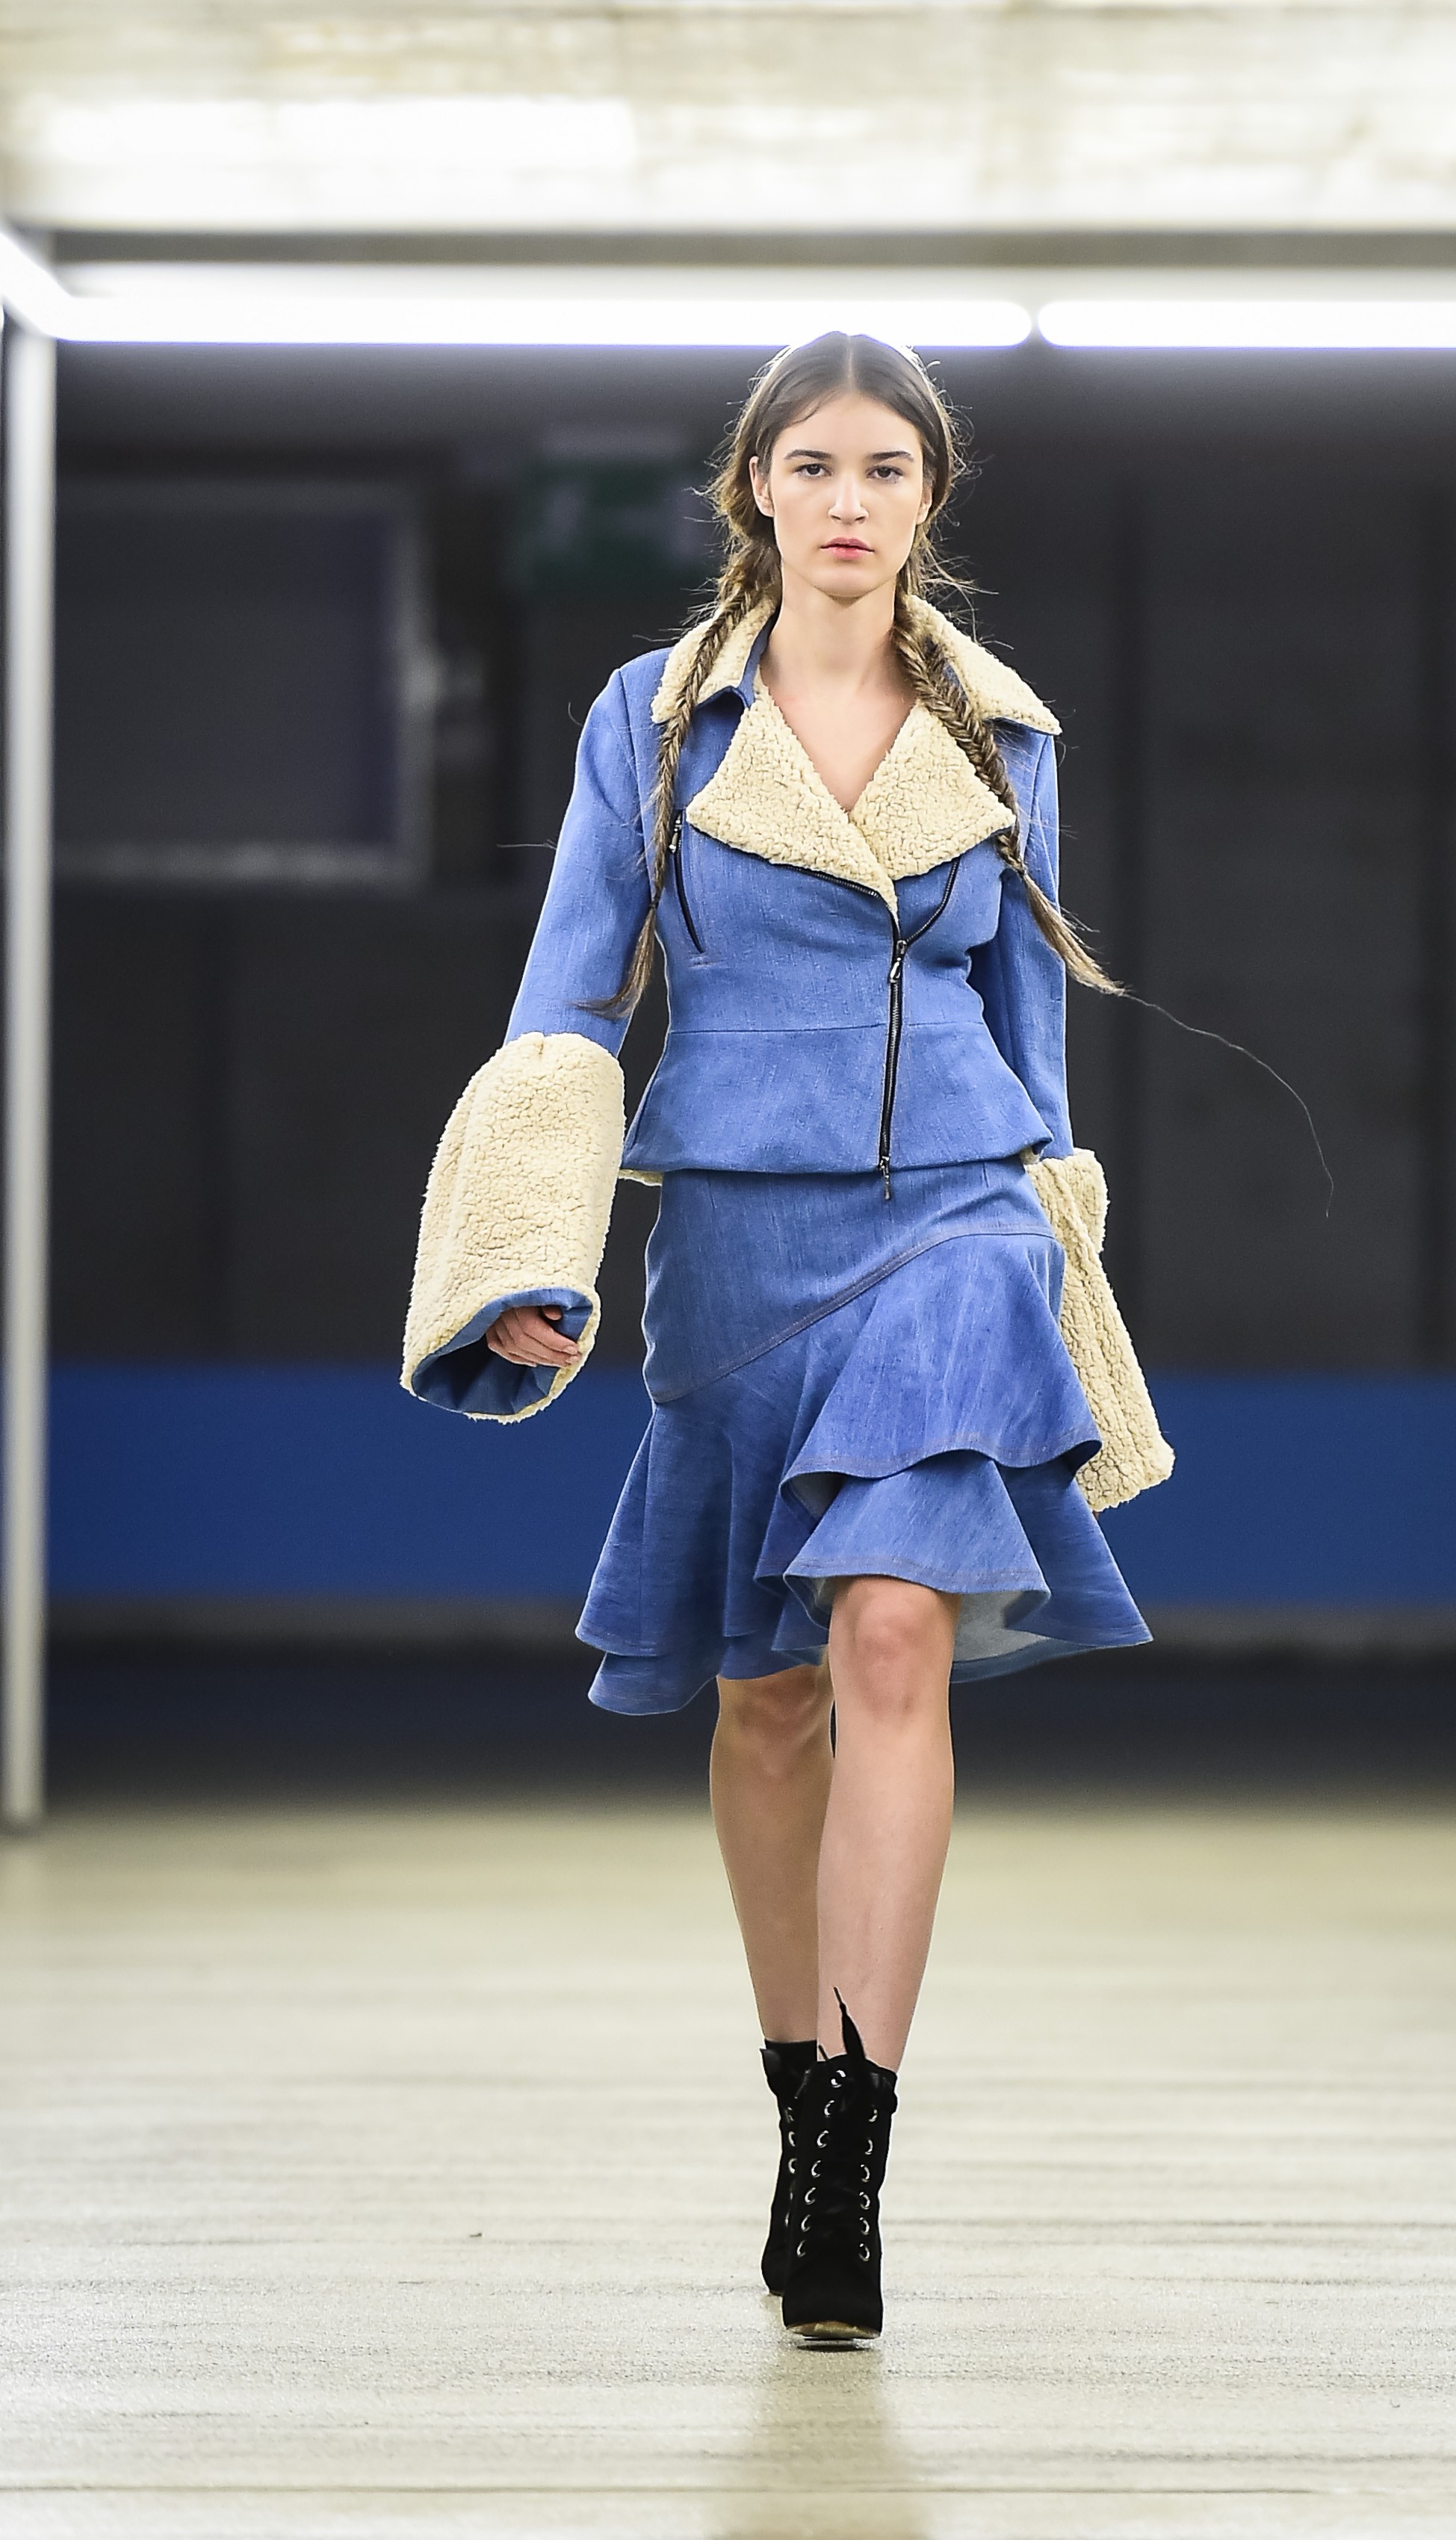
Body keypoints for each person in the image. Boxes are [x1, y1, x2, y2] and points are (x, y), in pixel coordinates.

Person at [401, 332, 1172, 2343]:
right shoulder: (653, 722)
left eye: (885, 469)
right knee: (765, 1698)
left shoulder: (1001, 735)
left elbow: (1031, 1030)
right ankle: (796, 2086)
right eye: (812, 464)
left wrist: (1059, 1253)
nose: (847, 500)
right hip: (737, 1240)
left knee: (893, 1632)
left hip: (957, 1222)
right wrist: (531, 1244)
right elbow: (570, 995)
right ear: (755, 485)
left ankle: (854, 2151)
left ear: (929, 498)